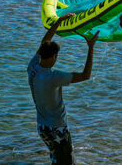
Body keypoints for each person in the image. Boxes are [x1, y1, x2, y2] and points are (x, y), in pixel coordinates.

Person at [27, 14, 98, 165]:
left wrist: (59, 22)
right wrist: (91, 48)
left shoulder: (32, 67)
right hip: (57, 129)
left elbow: (44, 42)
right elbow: (86, 75)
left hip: (42, 127)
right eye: (57, 56)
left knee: (55, 158)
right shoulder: (53, 77)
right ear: (53, 56)